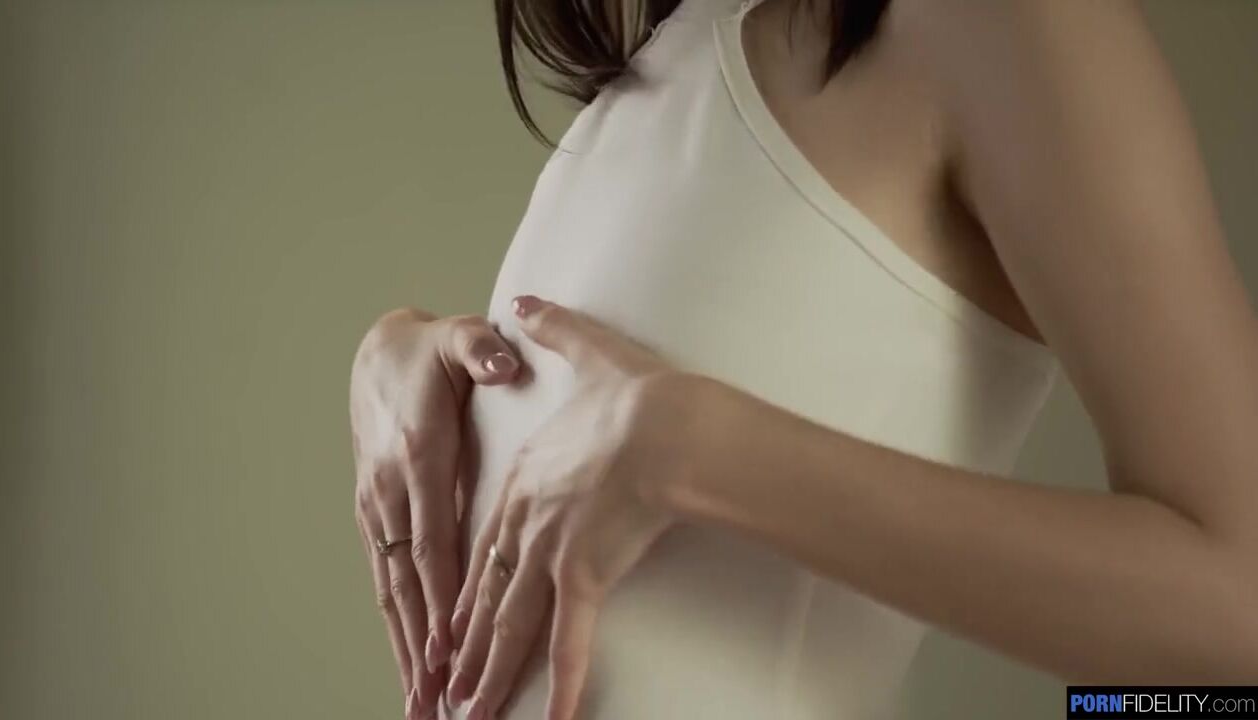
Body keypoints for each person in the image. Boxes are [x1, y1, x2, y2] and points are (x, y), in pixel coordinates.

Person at [348, 0, 1258, 718]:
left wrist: (703, 449)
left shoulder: (1004, 20)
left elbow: (1237, 609)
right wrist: (409, 357)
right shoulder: (677, 47)